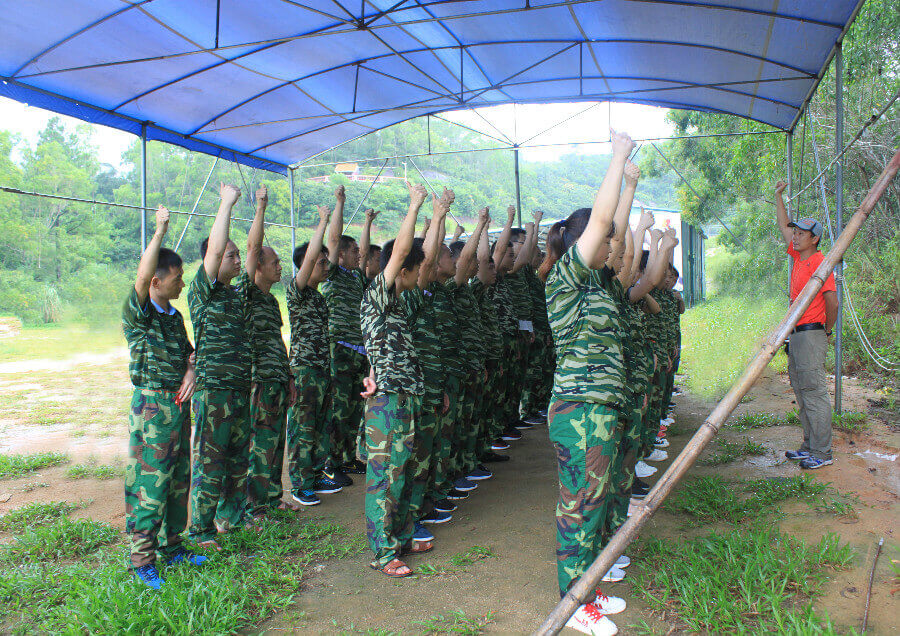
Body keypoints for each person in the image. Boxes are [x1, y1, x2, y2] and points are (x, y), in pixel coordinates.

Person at [540, 129, 636, 636]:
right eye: (606, 243)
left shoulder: (596, 281)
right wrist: (617, 156)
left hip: (599, 409)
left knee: (594, 506)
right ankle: (574, 603)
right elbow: (602, 222)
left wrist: (631, 184)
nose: (615, 247)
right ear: (583, 245)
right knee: (580, 506)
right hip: (579, 412)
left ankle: (590, 589)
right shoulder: (567, 277)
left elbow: (612, 224)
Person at [122, 206, 205, 589]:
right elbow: (140, 275)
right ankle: (142, 560)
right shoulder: (140, 313)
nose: (182, 284)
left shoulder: (174, 316)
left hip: (176, 406)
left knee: (177, 480)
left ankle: (174, 545)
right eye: (177, 278)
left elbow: (190, 354)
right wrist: (160, 231)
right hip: (152, 407)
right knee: (150, 483)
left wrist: (190, 371)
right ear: (156, 281)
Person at [360, 181, 429, 578]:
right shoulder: (377, 296)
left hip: (405, 397)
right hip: (386, 401)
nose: (421, 274)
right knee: (384, 477)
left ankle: (401, 536)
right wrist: (414, 205)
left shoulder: (401, 305)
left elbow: (421, 254)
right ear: (402, 270)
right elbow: (402, 250)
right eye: (416, 269)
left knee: (404, 470)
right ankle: (383, 552)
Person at [188, 183, 254, 549]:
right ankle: (200, 530)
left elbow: (253, 253)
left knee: (236, 460)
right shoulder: (203, 290)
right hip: (214, 390)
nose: (235, 260)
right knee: (211, 462)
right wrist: (227, 204)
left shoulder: (234, 294)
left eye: (236, 256)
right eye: (230, 256)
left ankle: (232, 518)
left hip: (240, 389)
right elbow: (215, 248)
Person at [239, 186, 298, 518]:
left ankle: (273, 497)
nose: (279, 267)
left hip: (276, 380)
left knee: (276, 444)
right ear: (258, 267)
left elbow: (277, 341)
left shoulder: (271, 300)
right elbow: (252, 247)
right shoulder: (246, 293)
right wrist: (261, 207)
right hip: (258, 381)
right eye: (274, 262)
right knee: (259, 445)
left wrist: (288, 377)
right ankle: (254, 507)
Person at [774, 181, 838, 469]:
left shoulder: (821, 263)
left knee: (814, 392)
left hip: (812, 333)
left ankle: (823, 453)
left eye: (801, 233)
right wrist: (778, 197)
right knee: (801, 390)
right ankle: (809, 445)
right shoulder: (800, 259)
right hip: (797, 335)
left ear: (814, 239)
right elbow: (783, 228)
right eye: (795, 232)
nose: (795, 237)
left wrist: (826, 330)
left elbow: (833, 302)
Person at [286, 204, 335, 505]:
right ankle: (300, 483)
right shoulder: (297, 291)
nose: (326, 267)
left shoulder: (318, 296)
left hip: (321, 370)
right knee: (303, 428)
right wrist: (322, 222)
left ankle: (316, 474)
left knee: (320, 425)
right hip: (303, 370)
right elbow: (308, 262)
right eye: (321, 262)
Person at [321, 186, 366, 485]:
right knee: (337, 409)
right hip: (339, 348)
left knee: (353, 409)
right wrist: (340, 203)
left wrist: (369, 223)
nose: (358, 255)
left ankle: (348, 458)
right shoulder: (334, 273)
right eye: (353, 252)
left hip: (359, 351)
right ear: (340, 256)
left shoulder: (358, 278)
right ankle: (330, 462)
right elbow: (334, 240)